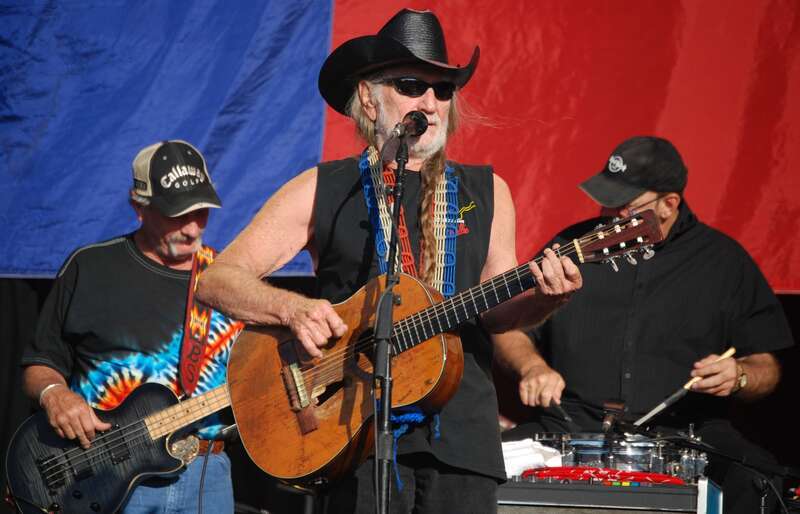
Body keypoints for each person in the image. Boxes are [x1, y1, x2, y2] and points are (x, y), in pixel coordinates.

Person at [195, 8, 582, 514]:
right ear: (368, 98)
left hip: (460, 442)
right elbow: (217, 281)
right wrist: (292, 311)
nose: (431, 102)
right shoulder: (323, 188)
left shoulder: (489, 191)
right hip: (354, 435)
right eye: (411, 85)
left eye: (443, 90)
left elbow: (496, 311)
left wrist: (544, 301)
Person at [502, 136, 794, 513]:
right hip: (571, 425)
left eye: (623, 207)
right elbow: (509, 327)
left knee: (760, 477)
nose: (609, 216)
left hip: (685, 432)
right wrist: (532, 367)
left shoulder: (724, 262)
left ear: (669, 204)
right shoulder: (573, 246)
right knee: (482, 462)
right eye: (605, 203)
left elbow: (766, 367)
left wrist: (738, 375)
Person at [21, 140, 242, 513]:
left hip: (208, 474)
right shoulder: (89, 267)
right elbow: (39, 364)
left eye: (202, 212)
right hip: (102, 478)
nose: (192, 228)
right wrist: (54, 395)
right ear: (139, 207)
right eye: (177, 214)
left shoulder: (231, 281)